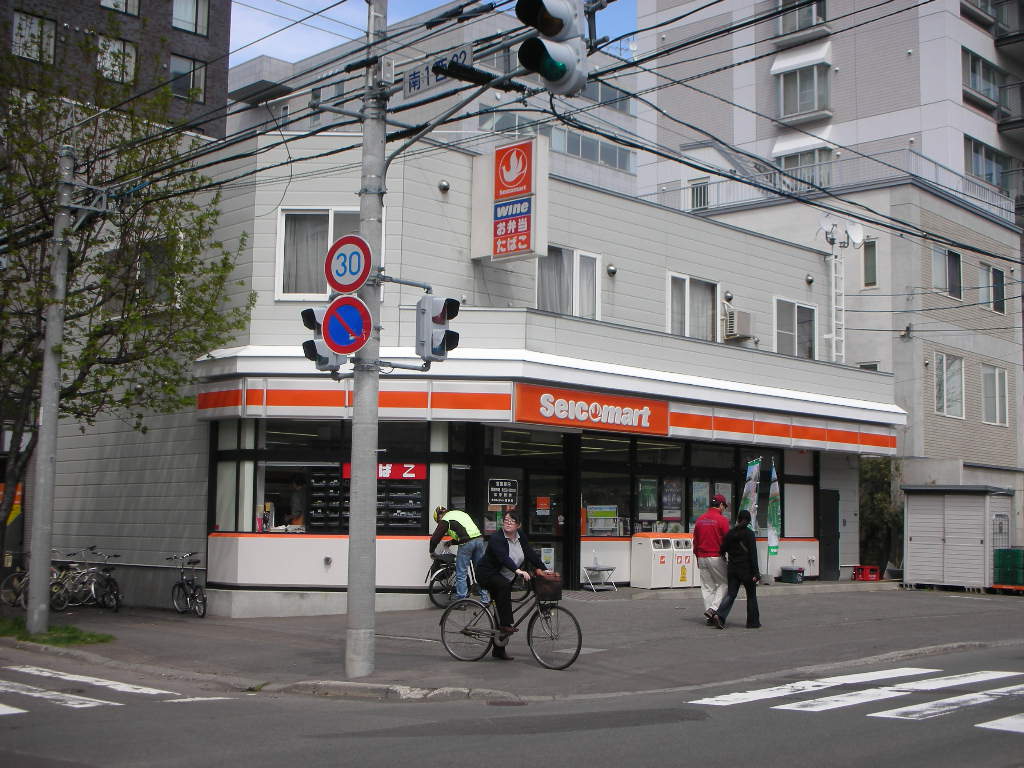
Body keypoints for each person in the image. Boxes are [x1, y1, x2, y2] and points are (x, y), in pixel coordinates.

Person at [475, 511, 548, 661]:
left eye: (512, 520)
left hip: (505, 576)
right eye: (506, 519)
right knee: (502, 589)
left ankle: (498, 650)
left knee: (501, 605)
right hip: (487, 573)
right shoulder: (497, 538)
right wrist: (518, 571)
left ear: (518, 525)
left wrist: (544, 568)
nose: (508, 522)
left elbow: (530, 553)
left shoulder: (520, 536)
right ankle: (506, 625)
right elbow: (503, 557)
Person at [428, 506, 490, 604]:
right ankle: (485, 599)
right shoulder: (459, 513)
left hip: (467, 544)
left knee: (461, 573)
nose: (439, 523)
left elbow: (435, 538)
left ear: (439, 516)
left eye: (438, 521)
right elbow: (466, 531)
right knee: (480, 570)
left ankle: (461, 600)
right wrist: (451, 542)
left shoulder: (445, 519)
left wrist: (432, 551)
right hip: (479, 540)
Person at [715, 509, 762, 629]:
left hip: (733, 569)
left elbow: (722, 550)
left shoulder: (730, 533)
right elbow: (753, 555)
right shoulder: (749, 534)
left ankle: (720, 615)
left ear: (738, 519)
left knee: (731, 594)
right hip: (747, 570)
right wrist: (756, 573)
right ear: (749, 520)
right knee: (751, 596)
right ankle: (753, 622)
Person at [693, 493, 730, 627]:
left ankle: (710, 615)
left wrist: (697, 556)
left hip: (701, 557)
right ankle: (713, 609)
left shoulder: (700, 519)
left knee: (707, 587)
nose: (724, 509)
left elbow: (695, 541)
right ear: (720, 505)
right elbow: (728, 540)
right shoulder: (722, 520)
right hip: (715, 556)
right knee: (724, 583)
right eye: (724, 506)